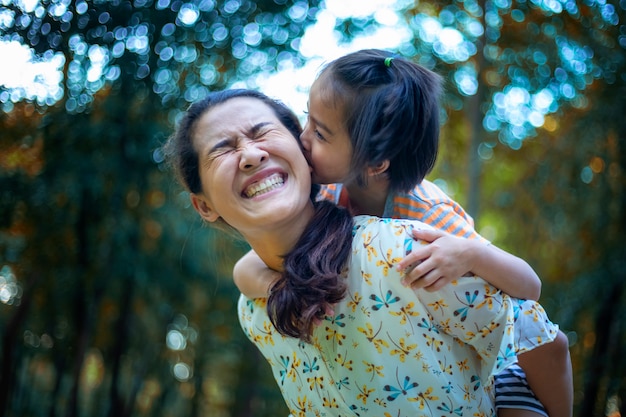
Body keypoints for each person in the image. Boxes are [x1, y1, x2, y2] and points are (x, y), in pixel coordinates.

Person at [164, 89, 566, 416]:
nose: (251, 154)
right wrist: (273, 289)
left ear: (304, 152)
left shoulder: (408, 251)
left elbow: (542, 337)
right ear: (203, 205)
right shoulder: (252, 311)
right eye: (223, 148)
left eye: (261, 133)